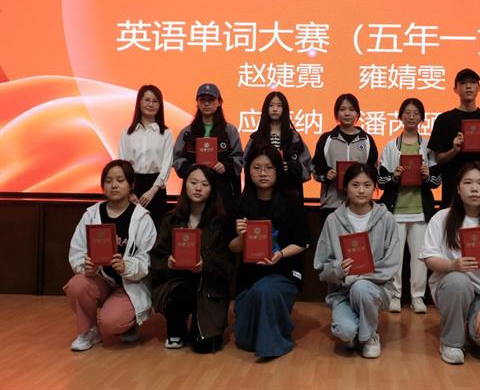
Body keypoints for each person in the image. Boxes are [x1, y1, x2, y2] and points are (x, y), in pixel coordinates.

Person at [419, 161, 480, 365]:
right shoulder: (441, 218)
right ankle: (451, 343)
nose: (474, 188)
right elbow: (429, 258)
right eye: (468, 182)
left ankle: (476, 328)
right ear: (458, 188)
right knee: (458, 281)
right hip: (451, 288)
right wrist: (452, 266)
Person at [64, 160, 156, 351]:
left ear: (131, 185)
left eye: (120, 180)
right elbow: (77, 250)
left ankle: (129, 325)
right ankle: (89, 331)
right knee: (77, 285)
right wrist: (85, 266)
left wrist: (126, 266)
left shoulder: (142, 218)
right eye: (108, 181)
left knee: (113, 321)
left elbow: (148, 259)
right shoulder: (91, 214)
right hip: (100, 280)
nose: (114, 185)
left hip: (129, 284)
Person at [228, 144, 310, 359]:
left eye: (268, 167)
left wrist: (280, 254)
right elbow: (232, 247)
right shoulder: (240, 203)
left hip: (284, 271)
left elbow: (302, 242)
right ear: (248, 170)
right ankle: (276, 327)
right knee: (245, 341)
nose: (262, 173)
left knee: (265, 290)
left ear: (277, 170)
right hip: (250, 276)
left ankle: (274, 345)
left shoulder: (292, 201)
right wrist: (241, 237)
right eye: (256, 168)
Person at [314, 163, 401, 359]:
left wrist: (357, 279)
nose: (361, 190)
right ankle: (358, 330)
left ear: (375, 187)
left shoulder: (386, 219)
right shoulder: (333, 220)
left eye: (367, 185)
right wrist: (338, 270)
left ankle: (369, 337)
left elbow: (391, 263)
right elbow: (321, 267)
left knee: (361, 288)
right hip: (342, 292)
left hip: (376, 288)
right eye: (355, 185)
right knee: (345, 332)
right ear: (345, 187)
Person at [149, 165, 234, 353]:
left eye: (205, 184)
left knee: (205, 346)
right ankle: (176, 328)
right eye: (193, 182)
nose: (198, 188)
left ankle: (199, 322)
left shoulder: (221, 222)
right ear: (184, 185)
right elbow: (156, 258)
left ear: (212, 189)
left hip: (209, 285)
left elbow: (227, 263)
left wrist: (205, 265)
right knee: (178, 292)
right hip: (177, 281)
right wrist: (168, 262)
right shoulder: (170, 220)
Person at [378, 98, 441, 314]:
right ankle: (395, 295)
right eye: (407, 112)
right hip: (396, 210)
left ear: (422, 118)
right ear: (400, 116)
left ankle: (417, 297)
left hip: (420, 211)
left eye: (415, 113)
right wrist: (394, 177)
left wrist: (427, 176)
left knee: (420, 258)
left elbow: (437, 181)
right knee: (395, 257)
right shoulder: (390, 146)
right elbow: (381, 181)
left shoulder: (428, 147)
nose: (411, 116)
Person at [427, 68, 480, 208]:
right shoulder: (444, 119)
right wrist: (454, 150)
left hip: (479, 185)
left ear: (479, 87)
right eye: (463, 83)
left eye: (472, 82)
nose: (468, 86)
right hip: (452, 186)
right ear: (455, 89)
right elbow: (439, 159)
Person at [173, 83, 243, 211]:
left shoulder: (230, 131)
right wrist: (191, 168)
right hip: (194, 192)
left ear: (219, 102)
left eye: (210, 100)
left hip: (222, 190)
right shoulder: (187, 132)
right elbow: (177, 159)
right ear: (197, 103)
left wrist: (225, 166)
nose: (206, 104)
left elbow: (239, 159)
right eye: (202, 100)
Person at [311, 93, 378, 221]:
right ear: (336, 113)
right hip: (332, 203)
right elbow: (315, 167)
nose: (347, 113)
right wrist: (326, 173)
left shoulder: (367, 140)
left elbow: (374, 170)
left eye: (351, 109)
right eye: (342, 109)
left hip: (361, 204)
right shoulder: (327, 139)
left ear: (357, 113)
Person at [119, 84, 173, 226]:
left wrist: (153, 190)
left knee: (155, 227)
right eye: (147, 100)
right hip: (132, 186)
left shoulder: (166, 133)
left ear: (160, 106)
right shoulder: (127, 133)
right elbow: (122, 164)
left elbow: (167, 164)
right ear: (139, 102)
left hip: (156, 187)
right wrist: (129, 192)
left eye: (155, 101)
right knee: (130, 227)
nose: (151, 104)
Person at [244, 91, 311, 199]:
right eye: (271, 105)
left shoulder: (294, 137)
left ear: (285, 109)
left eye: (279, 106)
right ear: (265, 109)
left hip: (288, 193)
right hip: (260, 194)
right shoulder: (256, 137)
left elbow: (307, 170)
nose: (275, 109)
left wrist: (290, 166)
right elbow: (246, 163)